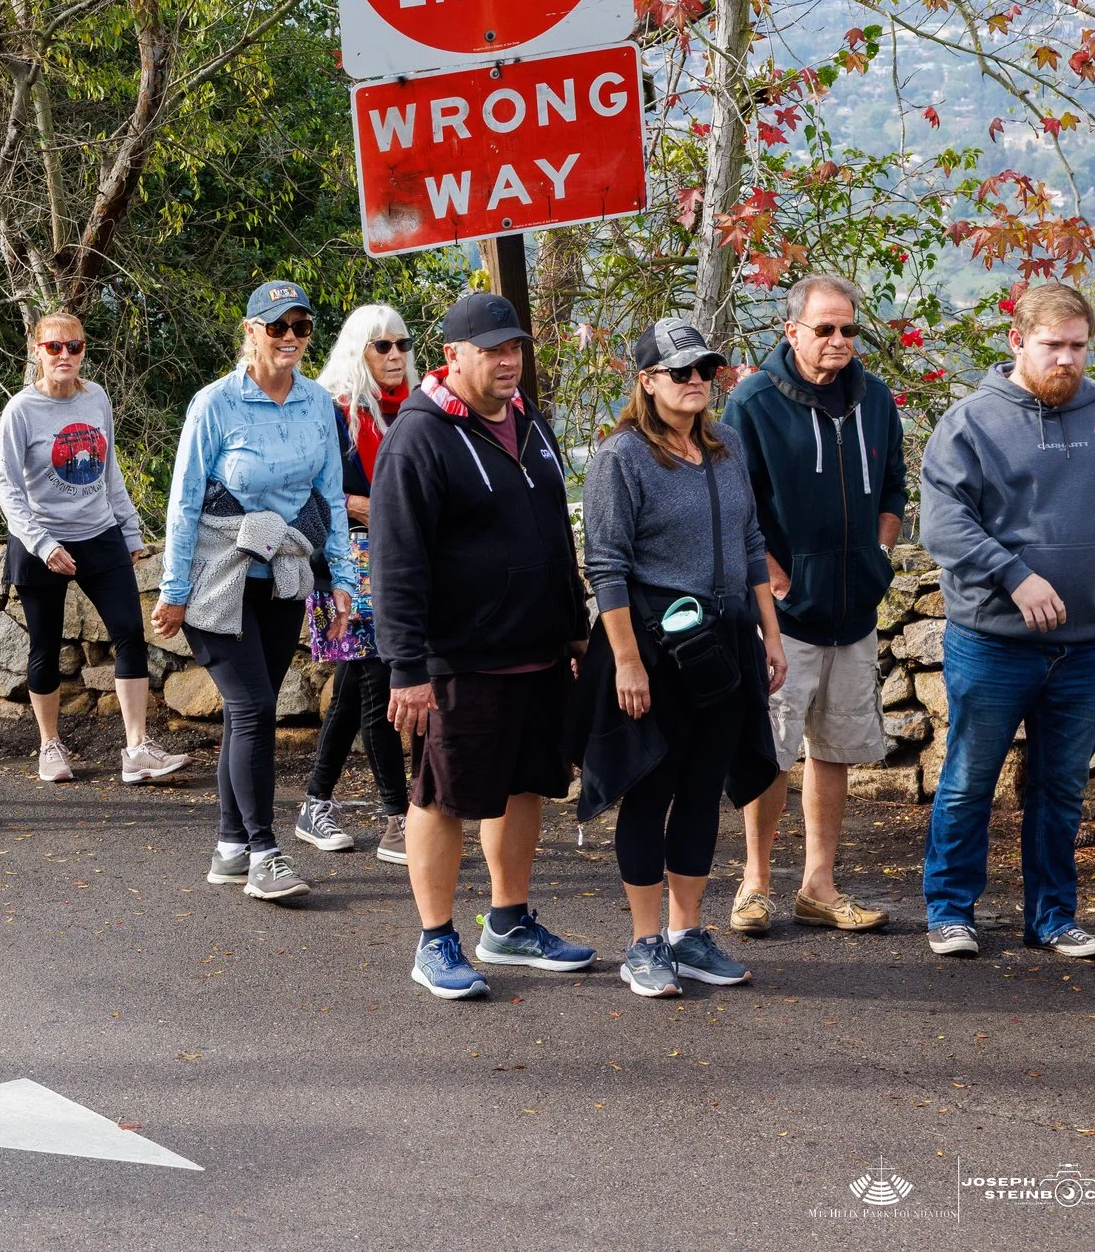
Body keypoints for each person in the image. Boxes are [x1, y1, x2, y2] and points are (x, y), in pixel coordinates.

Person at [917, 282, 1095, 960]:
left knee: (1060, 788)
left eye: (1078, 346)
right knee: (968, 778)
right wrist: (1014, 575)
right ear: (1017, 341)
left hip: (1083, 645)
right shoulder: (971, 421)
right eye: (1053, 344)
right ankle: (950, 910)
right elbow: (942, 524)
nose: (1067, 359)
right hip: (993, 641)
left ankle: (1052, 916)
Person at [375, 292, 593, 998]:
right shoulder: (421, 435)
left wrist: (575, 628)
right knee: (442, 795)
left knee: (527, 782)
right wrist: (407, 669)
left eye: (516, 348)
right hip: (459, 656)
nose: (509, 360)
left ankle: (507, 921)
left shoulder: (530, 422)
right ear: (453, 356)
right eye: (494, 349)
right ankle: (435, 939)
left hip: (536, 646)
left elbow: (556, 535)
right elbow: (397, 560)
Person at [576, 318, 785, 999]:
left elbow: (752, 544)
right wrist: (628, 662)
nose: (697, 381)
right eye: (679, 371)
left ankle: (687, 934)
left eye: (706, 369)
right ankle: (643, 943)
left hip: (724, 645)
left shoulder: (724, 450)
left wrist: (771, 636)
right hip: (654, 647)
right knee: (650, 790)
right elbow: (605, 564)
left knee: (702, 790)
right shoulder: (622, 457)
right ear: (646, 381)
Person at [153, 280, 357, 905]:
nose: (291, 337)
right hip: (218, 581)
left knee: (255, 712)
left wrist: (342, 582)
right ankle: (265, 850)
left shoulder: (318, 402)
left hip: (284, 580)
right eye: (278, 327)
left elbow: (330, 497)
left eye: (301, 326)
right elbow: (185, 501)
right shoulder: (214, 404)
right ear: (251, 331)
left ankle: (229, 846)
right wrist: (174, 588)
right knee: (252, 709)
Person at [724, 274, 904, 936]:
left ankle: (818, 886)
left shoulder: (875, 398)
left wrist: (880, 555)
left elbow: (893, 485)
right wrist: (776, 582)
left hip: (854, 611)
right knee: (772, 750)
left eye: (847, 329)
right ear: (791, 329)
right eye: (824, 328)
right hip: (785, 618)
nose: (837, 340)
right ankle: (754, 883)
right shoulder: (752, 404)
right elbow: (737, 504)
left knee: (834, 749)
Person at [0, 310, 186, 786]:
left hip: (98, 533)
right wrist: (41, 544)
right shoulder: (20, 409)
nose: (64, 355)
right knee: (45, 644)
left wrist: (130, 530)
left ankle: (137, 748)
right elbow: (6, 487)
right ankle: (49, 745)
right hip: (41, 541)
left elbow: (109, 469)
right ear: (37, 351)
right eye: (54, 347)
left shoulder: (96, 397)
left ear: (83, 350)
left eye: (74, 346)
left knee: (129, 634)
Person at [295, 303, 415, 864]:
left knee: (353, 690)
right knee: (377, 683)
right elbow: (303, 487)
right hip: (344, 564)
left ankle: (315, 801)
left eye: (401, 345)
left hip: (397, 561)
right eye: (381, 346)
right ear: (357, 350)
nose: (394, 356)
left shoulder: (413, 412)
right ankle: (398, 816)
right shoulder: (329, 411)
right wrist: (354, 503)